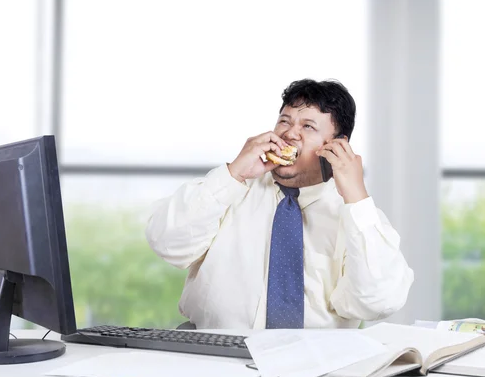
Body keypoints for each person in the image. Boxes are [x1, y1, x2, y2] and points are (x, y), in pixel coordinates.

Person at [145, 79, 414, 329]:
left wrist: (357, 197)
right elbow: (167, 243)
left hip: (316, 364)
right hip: (214, 351)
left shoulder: (357, 215)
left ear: (337, 145)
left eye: (308, 126)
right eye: (284, 122)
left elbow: (378, 300)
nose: (290, 134)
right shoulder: (230, 188)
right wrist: (234, 172)